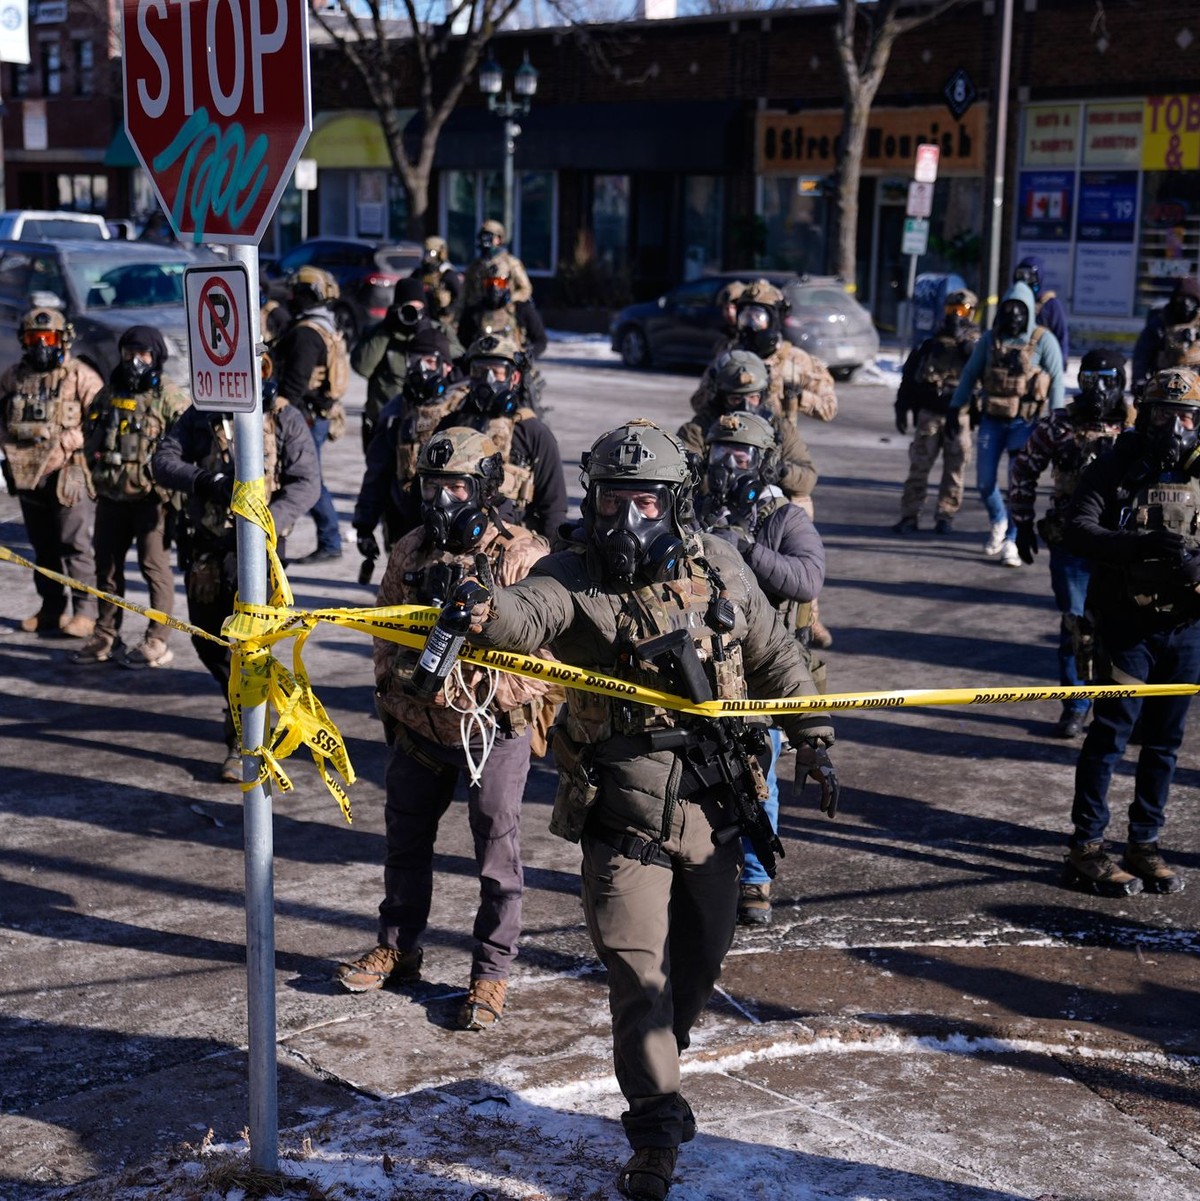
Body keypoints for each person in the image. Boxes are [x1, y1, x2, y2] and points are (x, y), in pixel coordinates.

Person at [463, 419, 837, 1201]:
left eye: (643, 504)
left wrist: (814, 738)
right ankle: (655, 1126)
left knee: (695, 971)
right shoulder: (574, 575)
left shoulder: (725, 565)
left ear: (675, 505)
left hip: (715, 808)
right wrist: (479, 609)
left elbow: (774, 655)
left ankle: (664, 1073)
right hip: (623, 819)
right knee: (639, 978)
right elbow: (521, 613)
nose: (625, 523)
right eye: (610, 503)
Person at [336, 428, 553, 1030]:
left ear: (484, 489)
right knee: (404, 843)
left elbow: (550, 669)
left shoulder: (523, 556)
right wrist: (397, 699)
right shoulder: (408, 550)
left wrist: (477, 667)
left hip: (492, 733)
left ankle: (490, 975)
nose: (443, 501)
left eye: (457, 486)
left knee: (496, 855)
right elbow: (384, 632)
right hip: (419, 729)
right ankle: (398, 948)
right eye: (433, 487)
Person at [1060, 366, 1200, 897]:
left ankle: (1145, 843)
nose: (1176, 426)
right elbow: (1079, 529)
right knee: (1110, 736)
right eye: (1165, 413)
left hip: (1185, 628)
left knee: (1165, 742)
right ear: (1146, 412)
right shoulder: (1115, 464)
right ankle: (1087, 848)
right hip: (1127, 628)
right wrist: (1138, 546)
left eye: (1186, 415)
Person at [151, 386, 320, 781]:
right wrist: (207, 481)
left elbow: (306, 483)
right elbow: (162, 461)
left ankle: (244, 741)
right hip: (207, 548)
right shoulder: (200, 414)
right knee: (207, 640)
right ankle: (243, 711)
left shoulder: (283, 417)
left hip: (259, 552)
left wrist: (264, 521)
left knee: (249, 648)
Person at [697, 411, 826, 927]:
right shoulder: (696, 510)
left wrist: (745, 549)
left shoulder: (785, 519)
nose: (732, 463)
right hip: (702, 663)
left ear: (765, 461)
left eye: (743, 454)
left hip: (764, 668)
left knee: (759, 771)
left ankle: (754, 879)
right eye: (722, 452)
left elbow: (808, 578)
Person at [1009, 350, 1130, 738]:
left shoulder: (1138, 424)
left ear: (1122, 381)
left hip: (1126, 545)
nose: (1099, 388)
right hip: (1072, 543)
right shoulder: (1061, 423)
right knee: (1076, 626)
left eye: (1108, 378)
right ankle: (1076, 706)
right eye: (1091, 378)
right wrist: (1023, 524)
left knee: (1126, 628)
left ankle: (1119, 710)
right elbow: (1024, 468)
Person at [72, 326, 189, 667]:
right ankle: (106, 634)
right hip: (110, 497)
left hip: (152, 501)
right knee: (106, 568)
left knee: (154, 568)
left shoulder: (169, 398)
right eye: (129, 353)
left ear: (156, 358)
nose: (135, 361)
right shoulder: (108, 393)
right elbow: (89, 433)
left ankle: (157, 639)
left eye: (144, 355)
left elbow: (186, 449)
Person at [0, 306, 104, 637]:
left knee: (74, 543)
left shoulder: (80, 376)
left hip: (68, 473)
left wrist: (66, 440)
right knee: (42, 547)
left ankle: (85, 612)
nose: (41, 345)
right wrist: (10, 449)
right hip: (27, 472)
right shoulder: (14, 376)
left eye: (47, 338)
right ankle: (51, 609)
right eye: (34, 339)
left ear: (62, 340)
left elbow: (100, 423)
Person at [946, 280, 1065, 566]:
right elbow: (971, 373)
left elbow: (1058, 379)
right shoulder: (990, 338)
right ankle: (998, 521)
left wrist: (1059, 420)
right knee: (985, 482)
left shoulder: (1043, 339)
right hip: (992, 420)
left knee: (1017, 484)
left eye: (1020, 309)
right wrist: (955, 408)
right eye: (1008, 308)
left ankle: (1011, 539)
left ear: (1029, 311)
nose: (1014, 314)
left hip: (1024, 423)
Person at [353, 327, 470, 563]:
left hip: (453, 520)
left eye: (428, 361)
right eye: (413, 361)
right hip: (404, 521)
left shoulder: (463, 407)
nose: (419, 369)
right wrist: (364, 524)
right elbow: (378, 470)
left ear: (446, 366)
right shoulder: (397, 410)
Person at [435, 334, 566, 539]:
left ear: (514, 378)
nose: (486, 380)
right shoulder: (450, 426)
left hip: (513, 549)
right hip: (451, 541)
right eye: (478, 371)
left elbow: (554, 508)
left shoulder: (533, 433)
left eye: (496, 372)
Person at [273, 266, 349, 564]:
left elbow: (294, 384)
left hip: (304, 416)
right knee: (310, 475)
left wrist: (280, 412)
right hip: (315, 413)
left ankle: (330, 540)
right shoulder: (323, 325)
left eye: (296, 293)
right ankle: (329, 539)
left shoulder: (306, 334)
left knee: (308, 479)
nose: (290, 298)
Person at [677, 349, 817, 507]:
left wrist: (780, 471)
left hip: (765, 508)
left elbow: (807, 478)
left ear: (763, 395)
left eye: (753, 397)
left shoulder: (779, 428)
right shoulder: (698, 430)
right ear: (721, 397)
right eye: (736, 398)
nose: (746, 406)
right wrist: (712, 471)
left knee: (801, 504)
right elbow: (681, 477)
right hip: (713, 508)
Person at [892, 289, 981, 535]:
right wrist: (902, 408)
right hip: (929, 414)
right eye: (951, 311)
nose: (955, 316)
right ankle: (910, 515)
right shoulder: (930, 344)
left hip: (959, 417)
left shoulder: (977, 345)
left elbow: (984, 376)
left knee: (955, 470)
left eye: (961, 311)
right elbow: (909, 378)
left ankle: (946, 516)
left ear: (971, 313)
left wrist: (967, 345)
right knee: (918, 467)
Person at [690, 280, 837, 424]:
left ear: (774, 319)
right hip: (732, 441)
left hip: (777, 443)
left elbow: (829, 409)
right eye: (745, 317)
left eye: (758, 317)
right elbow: (697, 403)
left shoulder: (796, 359)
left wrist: (798, 396)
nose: (751, 324)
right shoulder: (728, 357)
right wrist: (717, 390)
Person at [351, 278, 448, 453]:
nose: (413, 314)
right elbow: (362, 366)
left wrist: (426, 336)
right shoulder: (381, 332)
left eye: (418, 309)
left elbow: (455, 359)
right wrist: (387, 329)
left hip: (426, 425)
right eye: (408, 309)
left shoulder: (438, 332)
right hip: (384, 424)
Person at [457, 260, 548, 362]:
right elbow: (461, 341)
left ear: (508, 285)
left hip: (512, 365)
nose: (494, 288)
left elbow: (540, 340)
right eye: (489, 283)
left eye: (500, 283)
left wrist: (527, 355)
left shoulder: (521, 309)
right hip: (482, 365)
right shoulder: (474, 312)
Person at [1132, 276, 1200, 396]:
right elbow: (1141, 355)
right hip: (1164, 384)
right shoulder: (1159, 324)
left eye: (1190, 299)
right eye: (1181, 299)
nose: (1185, 304)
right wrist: (1139, 380)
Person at [461, 219, 532, 309]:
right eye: (483, 236)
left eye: (489, 236)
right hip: (479, 314)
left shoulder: (510, 262)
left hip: (503, 313)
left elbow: (526, 289)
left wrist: (510, 298)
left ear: (499, 239)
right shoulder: (475, 265)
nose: (485, 240)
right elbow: (464, 292)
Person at [1014, 256, 1069, 363]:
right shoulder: (1011, 303)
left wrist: (1060, 364)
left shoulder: (1050, 305)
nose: (1025, 280)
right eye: (1020, 275)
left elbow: (1061, 337)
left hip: (1041, 364)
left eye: (1030, 276)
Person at [410, 235, 463, 324]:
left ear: (440, 253)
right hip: (421, 319)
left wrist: (449, 309)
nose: (428, 258)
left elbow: (460, 297)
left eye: (431, 253)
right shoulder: (419, 273)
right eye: (425, 253)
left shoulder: (447, 274)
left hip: (441, 321)